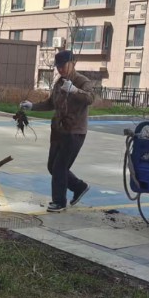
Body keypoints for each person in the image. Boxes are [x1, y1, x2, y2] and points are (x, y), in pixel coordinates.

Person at [20, 50, 93, 213]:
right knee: (52, 166)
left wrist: (74, 90)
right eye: (58, 66)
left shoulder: (82, 81)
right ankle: (79, 186)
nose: (60, 69)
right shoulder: (60, 82)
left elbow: (90, 98)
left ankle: (59, 201)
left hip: (74, 131)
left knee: (60, 166)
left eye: (63, 65)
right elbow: (51, 103)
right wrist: (33, 106)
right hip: (59, 130)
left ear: (72, 63)